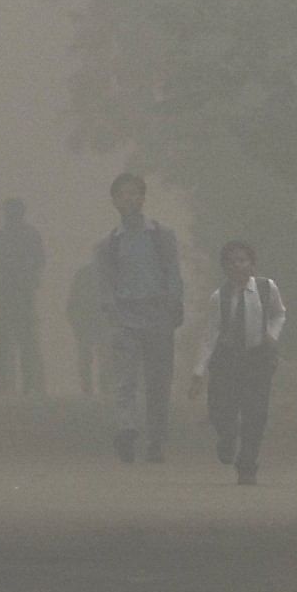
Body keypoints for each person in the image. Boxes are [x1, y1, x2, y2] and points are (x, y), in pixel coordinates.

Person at [95, 172, 184, 464]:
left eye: (134, 193)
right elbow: (105, 282)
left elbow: (173, 273)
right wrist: (111, 309)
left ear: (143, 198)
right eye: (122, 194)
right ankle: (127, 429)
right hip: (124, 318)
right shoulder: (108, 243)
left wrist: (173, 307)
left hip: (158, 316)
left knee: (158, 382)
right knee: (125, 380)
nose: (129, 198)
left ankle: (156, 440)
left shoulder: (162, 236)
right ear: (114, 201)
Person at [188, 241, 286, 485]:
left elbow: (279, 313)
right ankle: (227, 437)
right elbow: (210, 335)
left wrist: (272, 336)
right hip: (227, 361)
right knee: (221, 409)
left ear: (252, 264)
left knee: (256, 414)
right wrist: (198, 371)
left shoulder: (266, 288)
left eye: (243, 260)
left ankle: (248, 464)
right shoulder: (218, 297)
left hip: (256, 359)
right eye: (232, 261)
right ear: (225, 267)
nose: (238, 265)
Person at [0, 197, 46, 396]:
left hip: (12, 292)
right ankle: (25, 383)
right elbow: (40, 259)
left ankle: (8, 383)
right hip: (19, 292)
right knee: (24, 340)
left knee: (11, 340)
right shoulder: (28, 234)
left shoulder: (10, 234)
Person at [65, 256, 107, 398]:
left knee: (91, 355)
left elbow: (72, 300)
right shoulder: (109, 274)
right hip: (93, 321)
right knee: (100, 355)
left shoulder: (83, 274)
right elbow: (73, 299)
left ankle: (90, 388)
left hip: (90, 321)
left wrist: (73, 319)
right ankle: (100, 387)